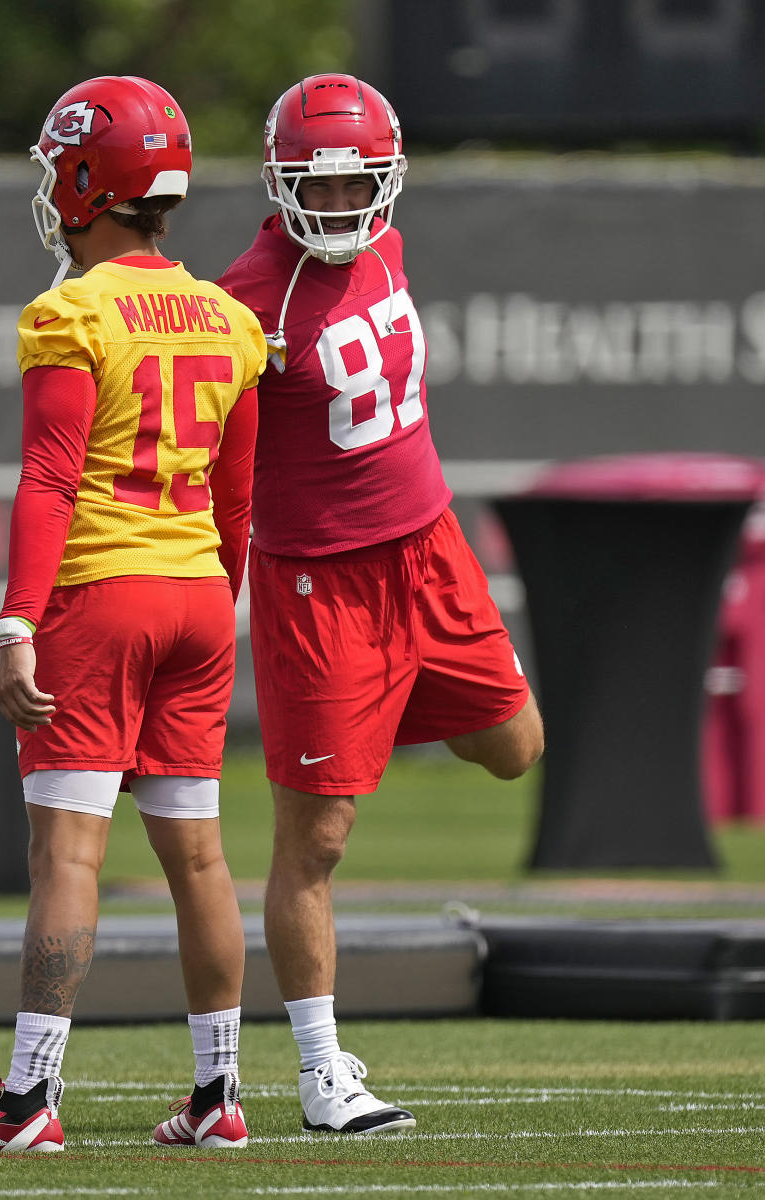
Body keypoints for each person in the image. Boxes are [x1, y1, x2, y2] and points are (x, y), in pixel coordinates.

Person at [0, 75, 266, 1153]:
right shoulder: (233, 320)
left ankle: (28, 1100)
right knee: (198, 860)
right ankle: (217, 1097)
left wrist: (16, 622)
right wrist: (217, 610)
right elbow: (239, 501)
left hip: (100, 600)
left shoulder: (70, 312)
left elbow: (50, 480)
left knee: (66, 855)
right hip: (200, 598)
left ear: (84, 179)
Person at [217, 73, 544, 1135]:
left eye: (363, 181)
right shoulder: (245, 304)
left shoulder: (386, 251)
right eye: (326, 183)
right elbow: (208, 455)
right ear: (277, 183)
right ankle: (321, 1075)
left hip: (431, 550)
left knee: (515, 745)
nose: (346, 203)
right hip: (320, 583)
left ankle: (373, 710)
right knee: (315, 839)